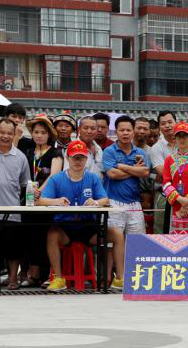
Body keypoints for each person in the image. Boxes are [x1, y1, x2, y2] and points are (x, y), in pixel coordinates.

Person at [39, 140, 109, 292]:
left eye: (81, 158)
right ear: (67, 158)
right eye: (74, 157)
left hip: (89, 228)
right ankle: (58, 278)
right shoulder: (56, 179)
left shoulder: (93, 178)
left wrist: (95, 202)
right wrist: (56, 201)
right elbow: (41, 200)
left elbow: (105, 199)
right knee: (52, 234)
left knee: (116, 234)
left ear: (86, 159)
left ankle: (114, 278)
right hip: (65, 228)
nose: (78, 161)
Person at [0, 118, 31, 290]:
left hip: (13, 210)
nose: (5, 136)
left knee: (13, 248)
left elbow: (26, 184)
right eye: (2, 132)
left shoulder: (21, 157)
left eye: (10, 133)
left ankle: (12, 280)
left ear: (14, 134)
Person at [102, 116, 149, 289]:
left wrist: (122, 166)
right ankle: (107, 279)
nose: (125, 133)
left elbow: (145, 172)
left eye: (128, 130)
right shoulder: (109, 151)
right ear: (116, 132)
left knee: (137, 242)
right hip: (113, 202)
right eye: (121, 130)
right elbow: (111, 174)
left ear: (133, 131)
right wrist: (134, 169)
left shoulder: (140, 152)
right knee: (110, 243)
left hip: (134, 204)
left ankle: (134, 279)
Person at [22, 115, 63, 287]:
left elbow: (54, 175)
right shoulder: (28, 153)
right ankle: (32, 274)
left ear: (49, 135)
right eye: (36, 132)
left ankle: (48, 274)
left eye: (43, 133)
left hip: (47, 199)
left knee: (45, 235)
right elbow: (23, 175)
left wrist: (39, 191)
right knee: (30, 236)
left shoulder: (56, 153)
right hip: (29, 199)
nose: (39, 135)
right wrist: (30, 190)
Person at [150, 111, 177, 234]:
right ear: (159, 127)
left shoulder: (187, 144)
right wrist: (184, 171)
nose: (167, 126)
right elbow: (162, 171)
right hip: (164, 195)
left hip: (186, 195)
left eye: (170, 122)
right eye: (163, 123)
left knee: (182, 229)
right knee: (161, 231)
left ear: (176, 123)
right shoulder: (157, 147)